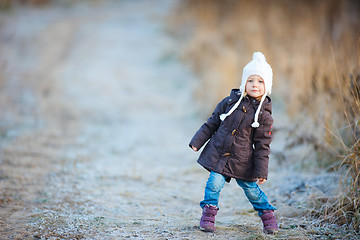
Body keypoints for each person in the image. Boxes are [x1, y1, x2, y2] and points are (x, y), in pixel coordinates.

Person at [189, 52, 278, 234]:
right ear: (244, 82)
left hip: (243, 161)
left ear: (267, 86)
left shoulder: (264, 116)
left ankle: (268, 215)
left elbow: (263, 146)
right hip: (219, 154)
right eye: (251, 80)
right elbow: (212, 122)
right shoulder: (229, 102)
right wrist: (197, 141)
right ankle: (208, 216)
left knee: (251, 190)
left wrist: (261, 171)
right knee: (213, 183)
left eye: (260, 81)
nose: (255, 85)